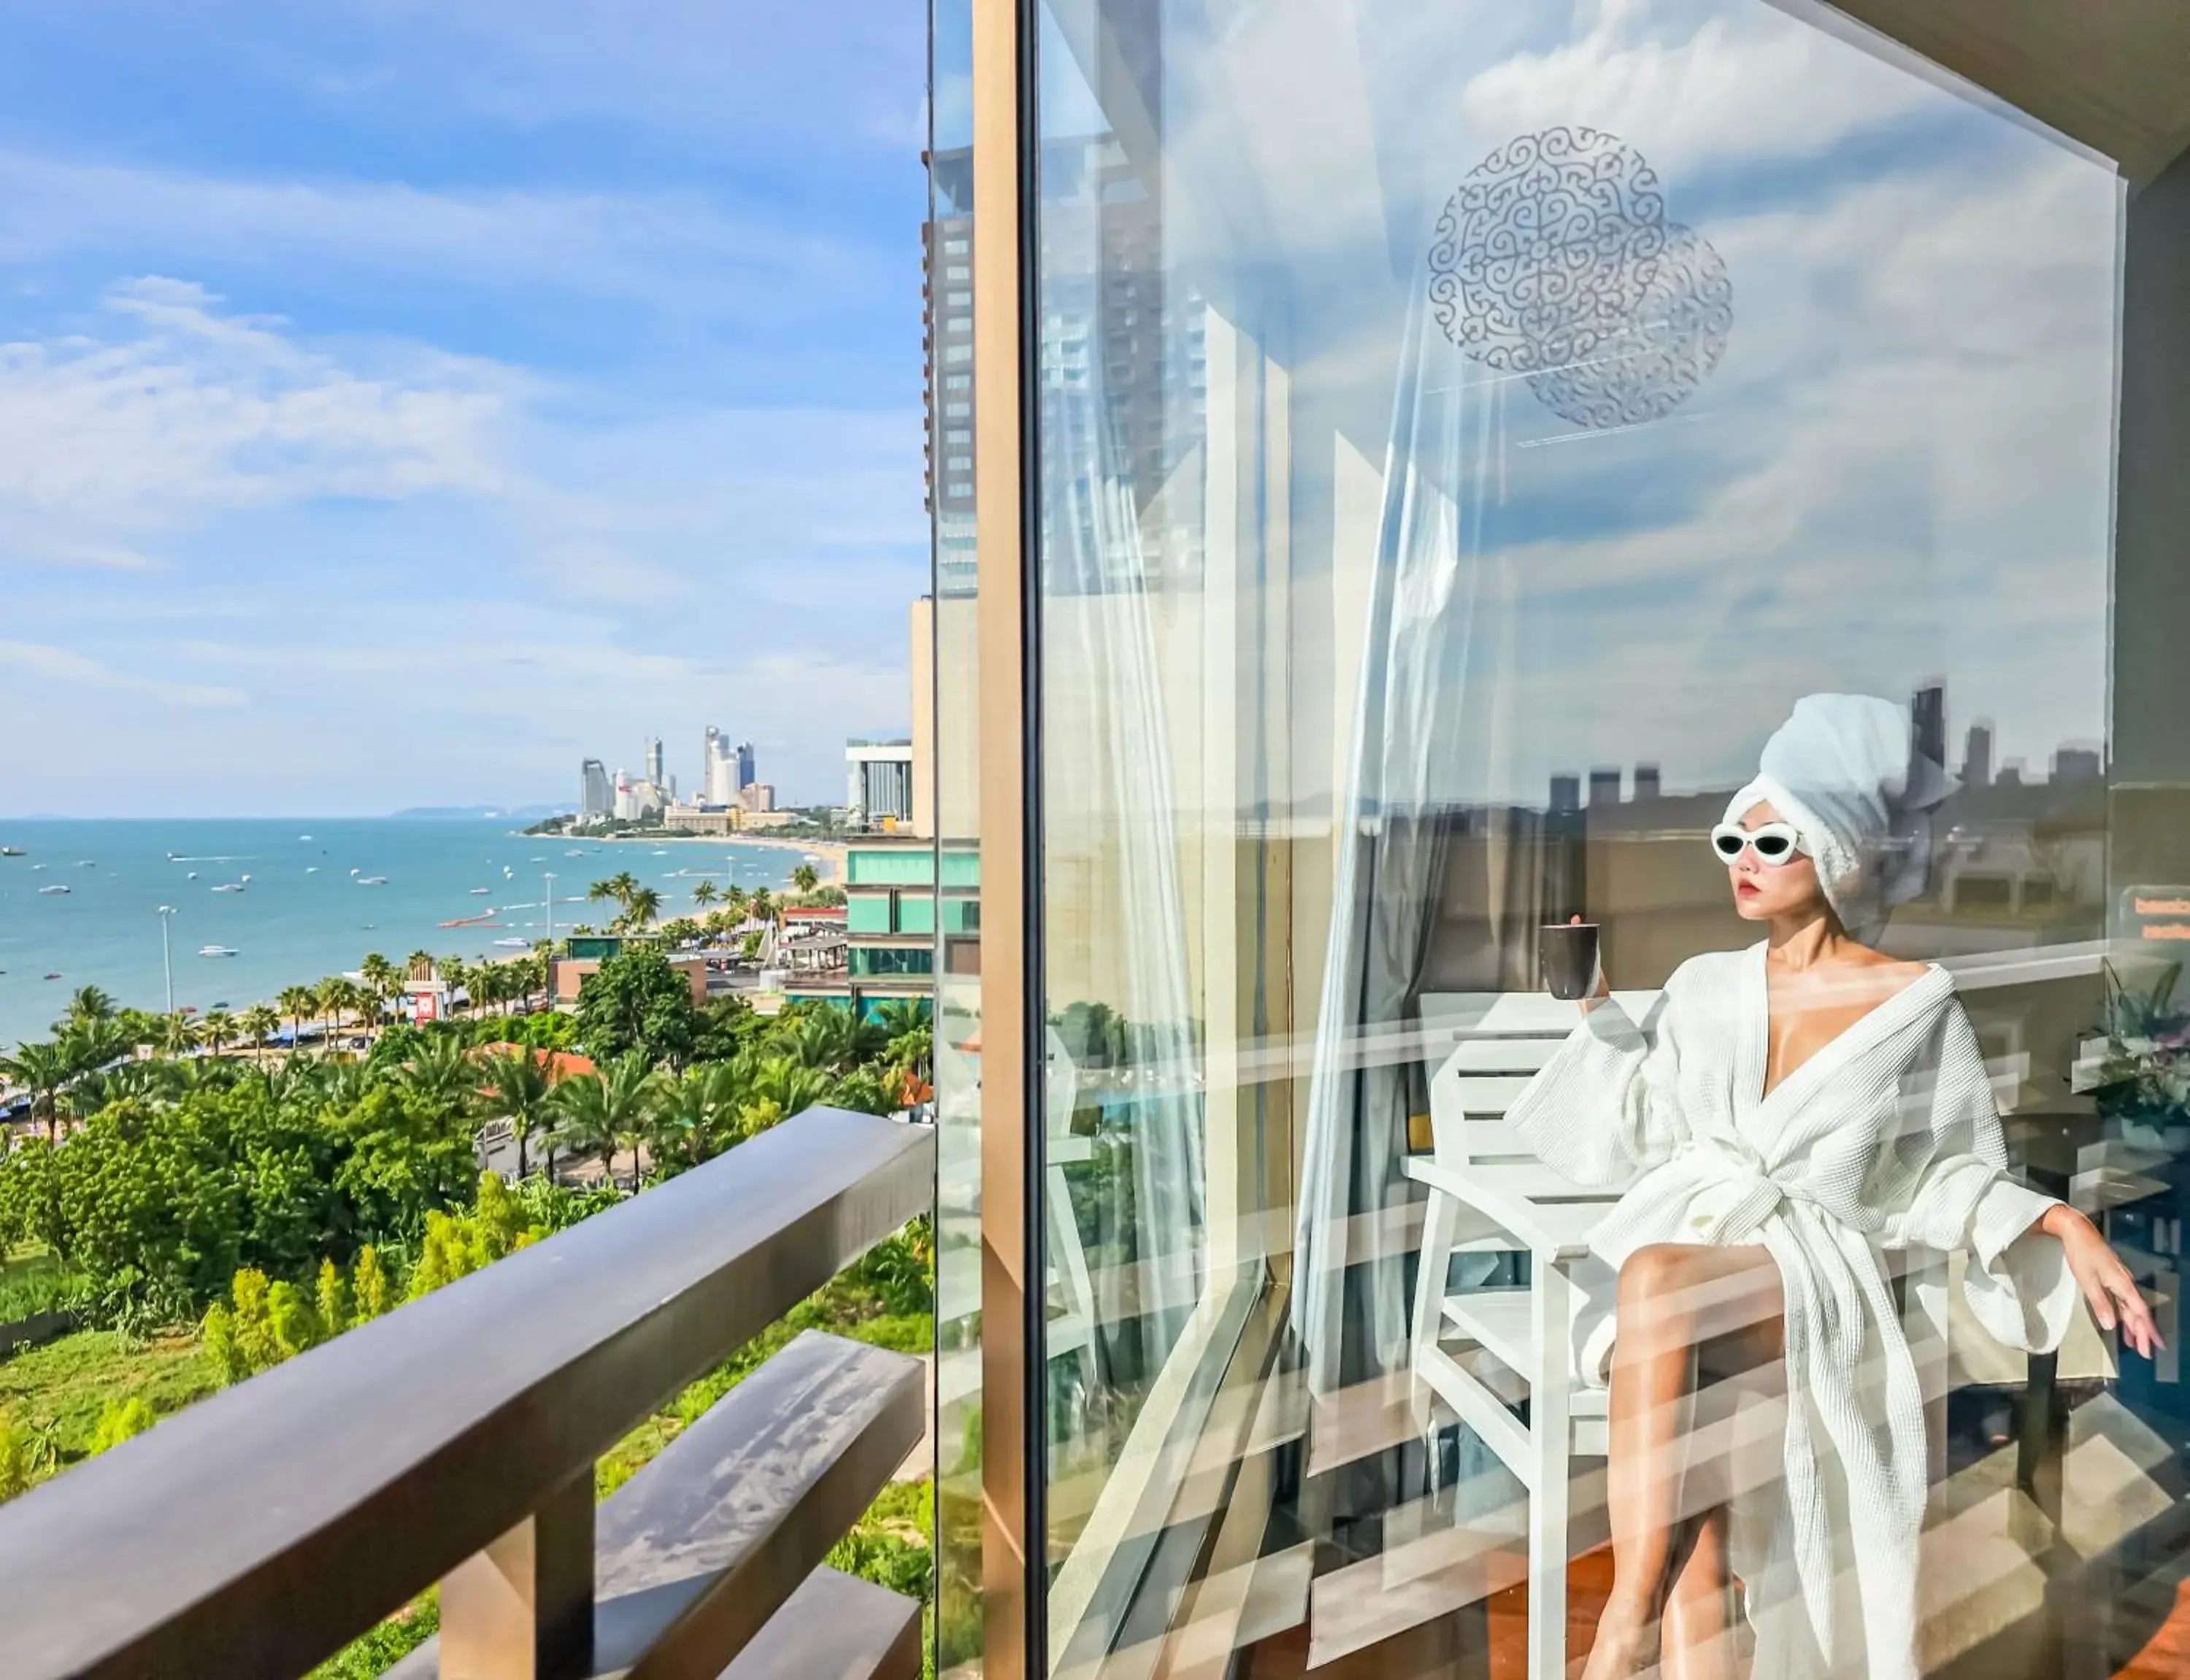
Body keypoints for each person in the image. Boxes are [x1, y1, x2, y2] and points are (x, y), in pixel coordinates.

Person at [1507, 694, 2156, 1680]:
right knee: (1707, 1511)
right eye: (1733, 836)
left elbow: (1942, 1170)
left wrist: (2057, 1217)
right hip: (1714, 1247)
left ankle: (1619, 1622)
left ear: (1838, 851)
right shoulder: (1702, 984)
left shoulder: (1913, 1001)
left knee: (1653, 1282)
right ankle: (1661, 1630)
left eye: (1773, 839)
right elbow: (1647, 1128)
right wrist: (1596, 1018)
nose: (1743, 858)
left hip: (1819, 1271)